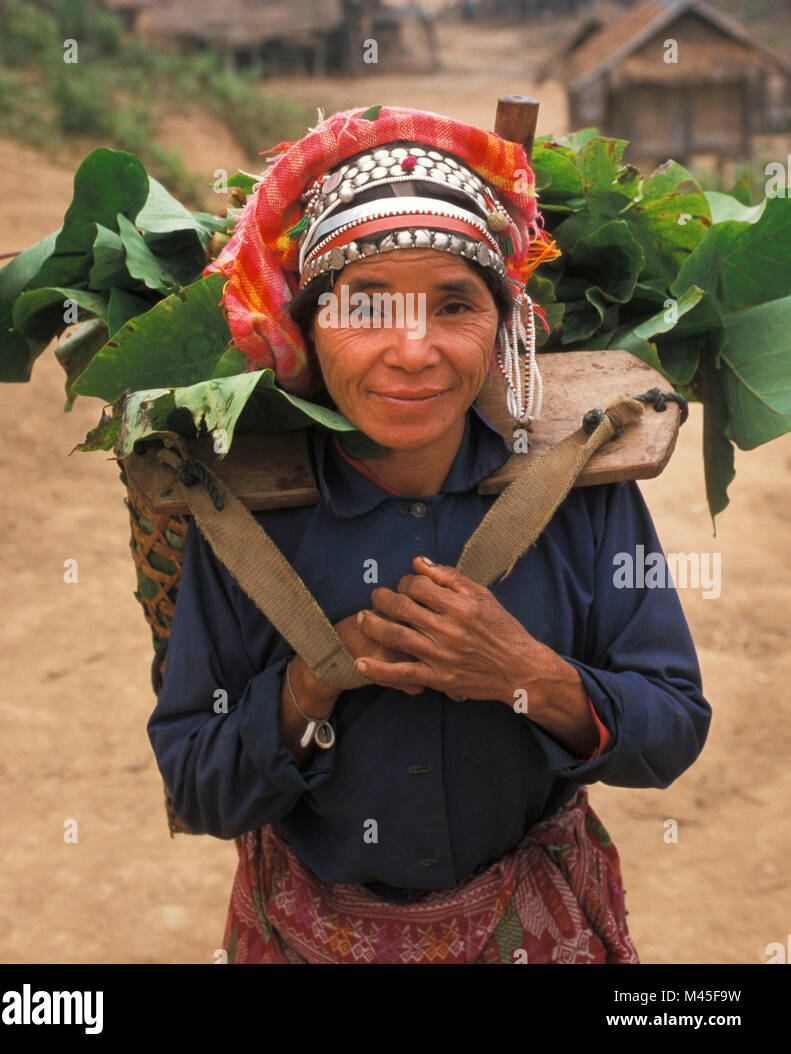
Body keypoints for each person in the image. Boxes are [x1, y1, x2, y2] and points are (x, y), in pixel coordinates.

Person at [147, 104, 711, 965]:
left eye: (454, 306)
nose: (412, 352)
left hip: (533, 928)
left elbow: (670, 728)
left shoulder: (576, 483)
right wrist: (310, 685)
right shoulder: (240, 509)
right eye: (365, 306)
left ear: (503, 328)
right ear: (303, 329)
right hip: (304, 934)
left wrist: (525, 675)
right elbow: (198, 787)